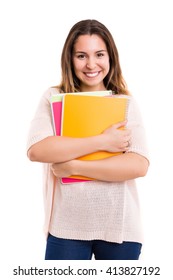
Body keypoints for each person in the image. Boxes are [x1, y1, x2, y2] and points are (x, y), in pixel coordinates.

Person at [27, 19, 149, 260]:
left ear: (110, 57)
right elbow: (37, 150)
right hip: (66, 227)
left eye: (99, 54)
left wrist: (74, 166)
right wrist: (103, 141)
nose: (91, 64)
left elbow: (138, 165)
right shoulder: (54, 97)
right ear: (69, 59)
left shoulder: (125, 102)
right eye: (81, 56)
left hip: (120, 228)